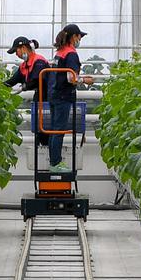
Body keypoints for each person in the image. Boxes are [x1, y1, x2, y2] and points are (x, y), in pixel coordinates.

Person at [40, 24, 97, 172]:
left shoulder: (59, 52)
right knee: (58, 131)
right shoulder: (71, 54)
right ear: (73, 37)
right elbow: (71, 78)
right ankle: (55, 164)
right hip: (63, 96)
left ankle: (54, 162)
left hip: (53, 94)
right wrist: (85, 80)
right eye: (79, 36)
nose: (80, 39)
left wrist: (79, 77)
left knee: (54, 130)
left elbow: (62, 75)